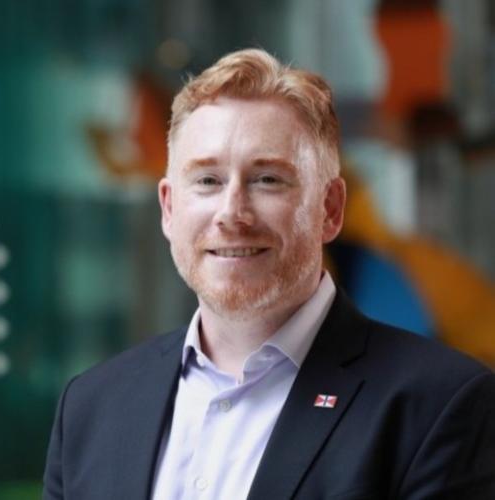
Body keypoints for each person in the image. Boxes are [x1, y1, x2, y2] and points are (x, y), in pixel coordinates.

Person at [43, 49, 495, 500]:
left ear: (330, 209)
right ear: (169, 207)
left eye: (268, 180)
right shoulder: (89, 407)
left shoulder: (439, 405)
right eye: (207, 180)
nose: (231, 213)